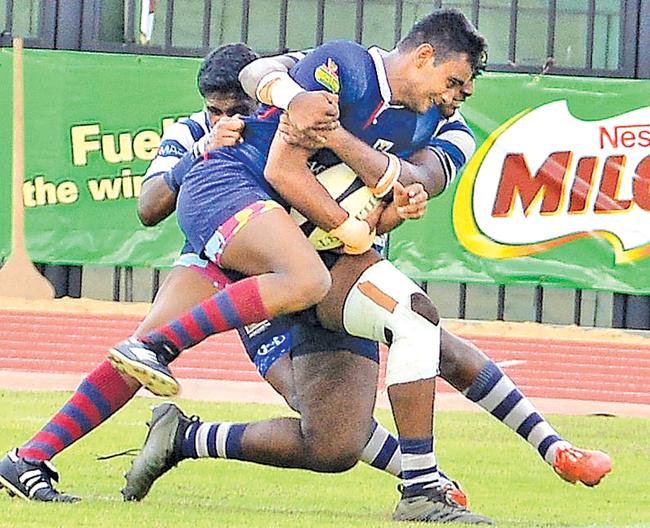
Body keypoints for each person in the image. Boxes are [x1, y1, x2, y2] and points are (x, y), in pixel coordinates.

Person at [112, 9, 608, 523]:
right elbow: (260, 95)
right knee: (407, 319)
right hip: (253, 223)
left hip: (332, 250)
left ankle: (184, 438)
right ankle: (424, 486)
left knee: (334, 442)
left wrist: (337, 142)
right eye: (453, 82)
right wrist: (292, 99)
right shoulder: (344, 65)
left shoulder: (451, 129)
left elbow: (411, 185)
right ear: (422, 56)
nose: (456, 97)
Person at [0, 43, 260, 503]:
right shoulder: (193, 131)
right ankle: (29, 458)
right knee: (140, 354)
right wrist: (199, 152)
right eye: (213, 110)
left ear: (260, 98)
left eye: (236, 110)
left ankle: (419, 473)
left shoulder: (288, 121)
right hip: (215, 260)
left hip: (285, 270)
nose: (224, 122)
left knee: (321, 410)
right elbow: (148, 208)